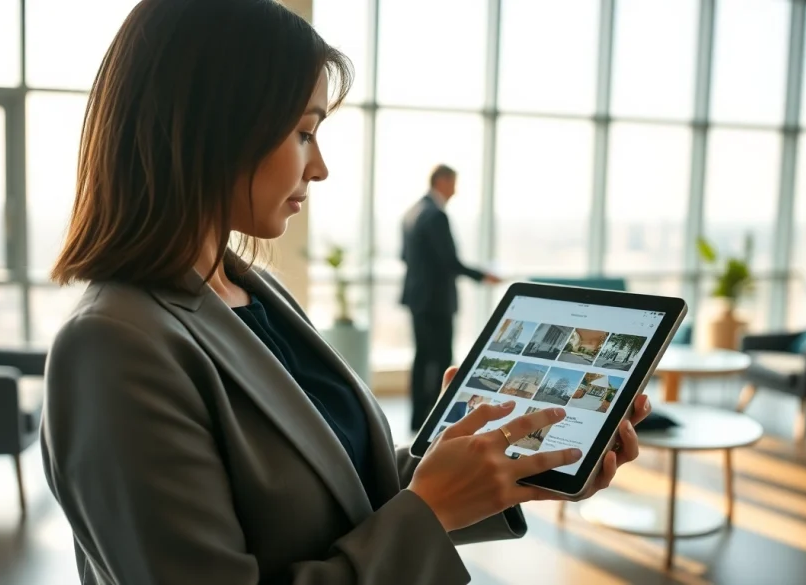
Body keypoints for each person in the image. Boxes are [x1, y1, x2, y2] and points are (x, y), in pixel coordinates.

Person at [40, 1, 650, 584]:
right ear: (213, 126)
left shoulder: (255, 293)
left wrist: (505, 467)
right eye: (304, 132)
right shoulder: (112, 347)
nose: (320, 166)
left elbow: (341, 490)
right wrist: (431, 513)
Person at [401, 165, 501, 432]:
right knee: (441, 359)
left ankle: (417, 419)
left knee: (422, 358)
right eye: (454, 183)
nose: (455, 190)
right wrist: (483, 276)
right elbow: (449, 261)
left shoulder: (412, 212)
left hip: (416, 297)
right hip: (436, 301)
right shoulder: (436, 216)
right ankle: (434, 419)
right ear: (442, 181)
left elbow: (404, 256)